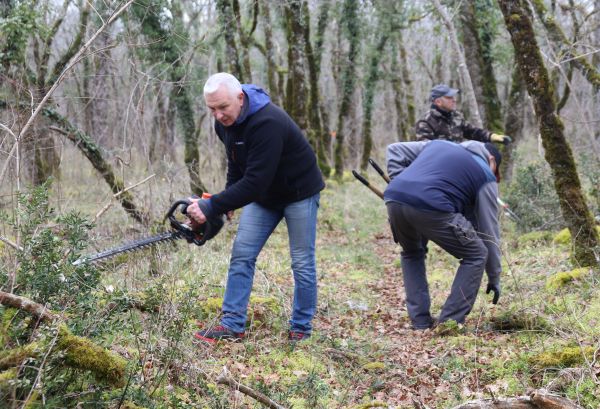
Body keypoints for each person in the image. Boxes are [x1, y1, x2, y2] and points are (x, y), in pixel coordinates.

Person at [187, 72, 325, 344]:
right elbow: (237, 162)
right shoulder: (223, 124)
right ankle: (232, 324)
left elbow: (255, 182)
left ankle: (301, 327)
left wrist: (213, 204)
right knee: (242, 255)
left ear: (240, 98)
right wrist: (227, 200)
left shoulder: (267, 122)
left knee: (301, 262)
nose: (218, 116)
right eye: (211, 109)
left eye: (223, 107)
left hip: (298, 192)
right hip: (264, 197)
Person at [384, 139, 503, 329]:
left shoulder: (437, 145)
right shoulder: (485, 175)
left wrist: (399, 179)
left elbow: (394, 149)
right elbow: (489, 232)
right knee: (477, 254)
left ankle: (420, 322)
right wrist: (494, 277)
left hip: (394, 198)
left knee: (412, 253)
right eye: (496, 170)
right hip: (433, 205)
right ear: (491, 160)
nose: (494, 175)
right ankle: (449, 323)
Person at [415, 83, 512, 144]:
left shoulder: (456, 116)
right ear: (438, 102)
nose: (454, 100)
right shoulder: (425, 122)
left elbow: (472, 132)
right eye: (449, 98)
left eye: (453, 97)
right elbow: (425, 149)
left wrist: (492, 137)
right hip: (439, 166)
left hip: (460, 160)